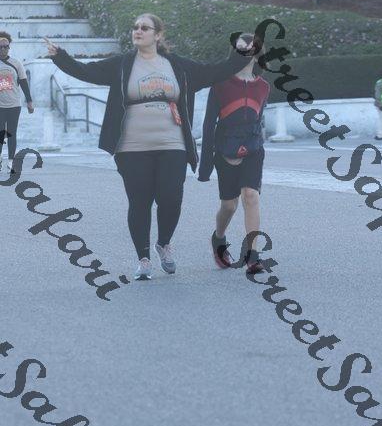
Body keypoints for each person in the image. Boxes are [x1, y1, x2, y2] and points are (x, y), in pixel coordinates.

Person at [44, 15, 253, 281]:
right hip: (131, 146)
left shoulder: (177, 65)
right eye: (135, 27)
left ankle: (163, 243)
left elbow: (215, 71)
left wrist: (242, 55)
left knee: (171, 197)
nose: (138, 31)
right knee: (139, 201)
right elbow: (87, 71)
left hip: (173, 143)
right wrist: (60, 56)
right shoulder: (122, 64)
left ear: (158, 35)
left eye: (144, 27)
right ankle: (143, 259)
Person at [198, 33, 270, 274]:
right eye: (241, 49)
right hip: (225, 150)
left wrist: (257, 142)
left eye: (251, 49)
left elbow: (258, 120)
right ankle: (219, 237)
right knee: (229, 205)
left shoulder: (263, 86)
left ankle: (252, 255)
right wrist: (205, 164)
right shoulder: (220, 84)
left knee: (251, 195)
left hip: (253, 149)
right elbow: (209, 124)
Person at [0, 31, 34, 174]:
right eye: (0, 47)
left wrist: (29, 101)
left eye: (6, 46)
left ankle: (10, 162)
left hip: (14, 104)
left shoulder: (16, 63)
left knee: (11, 133)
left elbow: (24, 83)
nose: (3, 49)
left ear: (9, 47)